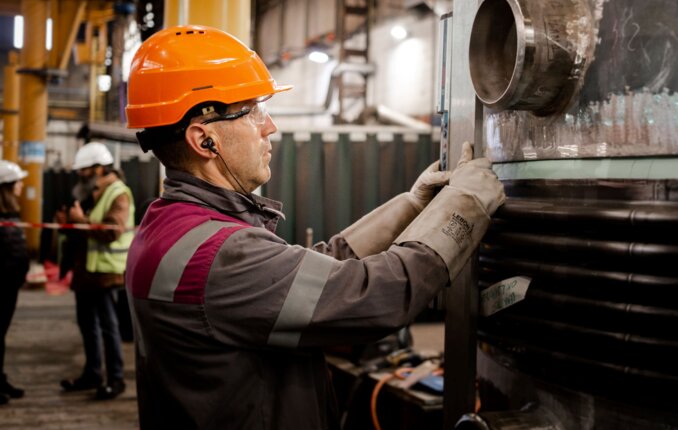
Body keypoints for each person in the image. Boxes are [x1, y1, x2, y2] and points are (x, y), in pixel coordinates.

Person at [123, 24, 505, 429]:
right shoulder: (217, 256)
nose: (270, 127)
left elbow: (305, 277)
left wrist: (412, 206)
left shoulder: (166, 226)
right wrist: (464, 207)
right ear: (204, 141)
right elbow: (375, 296)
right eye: (253, 112)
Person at [56, 142, 135, 400]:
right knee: (87, 325)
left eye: (84, 169)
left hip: (105, 274)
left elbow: (112, 231)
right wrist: (68, 224)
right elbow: (85, 232)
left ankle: (116, 379)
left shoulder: (118, 193)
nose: (80, 174)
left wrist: (80, 221)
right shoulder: (92, 192)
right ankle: (92, 374)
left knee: (109, 328)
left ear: (99, 169)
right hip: (86, 273)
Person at [0, 160, 29, 405]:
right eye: (17, 182)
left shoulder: (10, 214)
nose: (21, 185)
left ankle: (0, 380)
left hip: (9, 287)